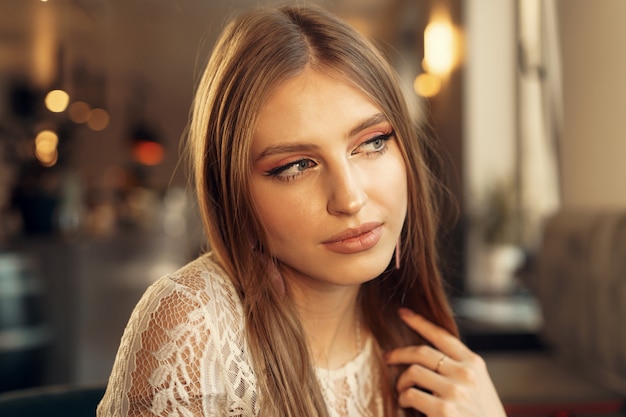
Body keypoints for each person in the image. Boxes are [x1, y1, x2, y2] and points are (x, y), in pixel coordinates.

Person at [98, 5, 506, 417]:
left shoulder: (411, 344)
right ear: (233, 193)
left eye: (372, 143)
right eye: (296, 166)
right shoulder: (195, 328)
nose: (349, 199)